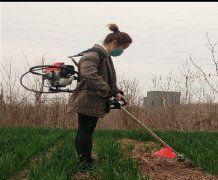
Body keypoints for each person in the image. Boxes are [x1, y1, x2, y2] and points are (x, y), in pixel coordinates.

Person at [67, 23, 132, 168]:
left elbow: (107, 79)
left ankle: (86, 159)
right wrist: (106, 88)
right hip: (87, 100)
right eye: (123, 48)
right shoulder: (93, 54)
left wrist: (116, 92)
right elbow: (88, 72)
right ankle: (85, 162)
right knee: (85, 130)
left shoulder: (105, 57)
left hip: (94, 101)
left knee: (87, 130)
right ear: (115, 43)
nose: (122, 51)